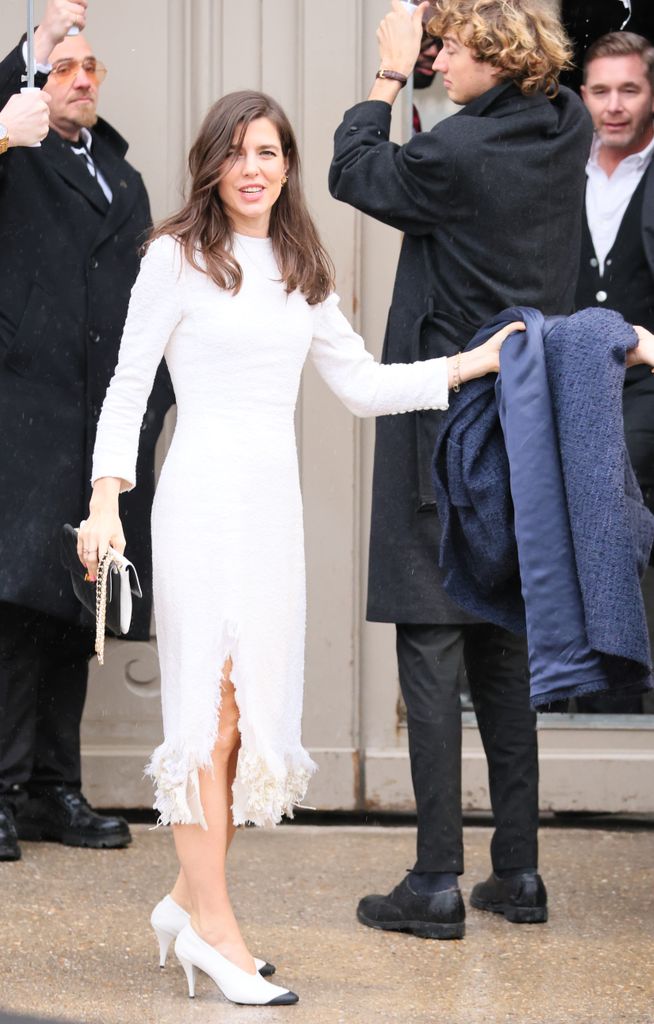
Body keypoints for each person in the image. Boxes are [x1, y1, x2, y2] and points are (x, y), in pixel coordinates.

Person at [78, 89, 522, 1007]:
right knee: (208, 714)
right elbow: (127, 389)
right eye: (237, 152)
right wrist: (105, 502)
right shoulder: (175, 258)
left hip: (272, 511)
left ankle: (181, 902)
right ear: (211, 163)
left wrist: (468, 364)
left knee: (242, 725)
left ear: (287, 166)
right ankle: (214, 928)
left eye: (270, 152)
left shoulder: (299, 262)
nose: (254, 168)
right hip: (199, 503)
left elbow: (359, 384)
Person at [328, 0, 593, 938]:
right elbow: (468, 134)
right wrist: (445, 53)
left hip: (447, 422)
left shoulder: (458, 157)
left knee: (433, 649)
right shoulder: (565, 127)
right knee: (506, 651)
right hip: (524, 425)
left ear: (497, 55)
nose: (441, 58)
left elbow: (356, 172)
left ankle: (436, 881)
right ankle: (518, 874)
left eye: (454, 49)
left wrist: (393, 74)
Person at [0, 0, 174, 863]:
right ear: (38, 79)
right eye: (62, 66)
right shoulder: (14, 149)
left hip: (102, 420)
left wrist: (157, 397)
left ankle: (52, 791)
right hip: (24, 407)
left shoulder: (123, 172)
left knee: (79, 603)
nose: (80, 79)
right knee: (12, 606)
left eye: (89, 67)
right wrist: (23, 55)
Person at [575, 30, 654, 714]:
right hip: (574, 388)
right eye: (601, 90)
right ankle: (593, 692)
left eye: (630, 88)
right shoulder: (560, 168)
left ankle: (628, 697)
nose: (615, 105)